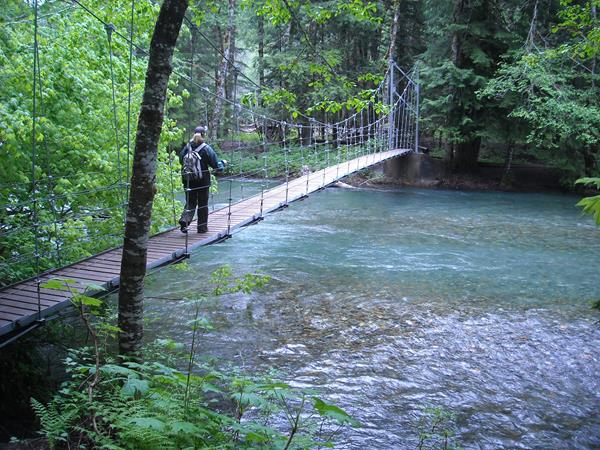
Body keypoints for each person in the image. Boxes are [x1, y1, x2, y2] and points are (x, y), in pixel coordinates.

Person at [178, 126, 226, 233]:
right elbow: (215, 165)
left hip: (188, 180)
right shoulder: (206, 148)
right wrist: (222, 163)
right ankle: (202, 228)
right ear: (204, 135)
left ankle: (184, 220)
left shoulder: (187, 148)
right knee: (202, 204)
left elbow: (181, 160)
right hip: (202, 181)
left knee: (190, 202)